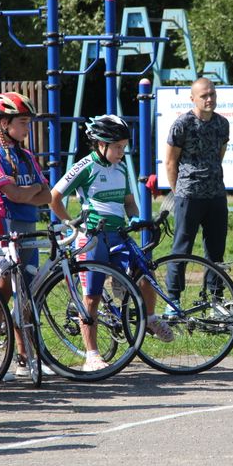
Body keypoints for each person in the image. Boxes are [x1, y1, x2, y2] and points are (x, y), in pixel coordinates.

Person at [50, 115, 173, 371]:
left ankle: (150, 317)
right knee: (92, 298)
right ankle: (91, 355)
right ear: (100, 144)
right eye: (117, 147)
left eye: (124, 147)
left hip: (119, 234)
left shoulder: (121, 168)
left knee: (145, 273)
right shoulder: (85, 166)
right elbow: (54, 197)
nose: (121, 152)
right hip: (92, 238)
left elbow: (129, 202)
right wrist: (72, 224)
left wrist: (137, 218)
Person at [0, 92, 52, 380]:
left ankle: (25, 359)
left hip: (28, 227)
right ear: (4, 123)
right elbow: (13, 194)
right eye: (22, 122)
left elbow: (47, 195)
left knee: (26, 295)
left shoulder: (26, 155)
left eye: (28, 122)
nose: (27, 128)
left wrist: (28, 192)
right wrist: (30, 191)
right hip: (4, 228)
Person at [164, 77, 230, 308]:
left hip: (216, 195)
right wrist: (179, 191)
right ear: (193, 98)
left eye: (212, 94)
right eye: (204, 95)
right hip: (188, 196)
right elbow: (170, 162)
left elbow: (219, 155)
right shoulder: (182, 124)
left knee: (216, 251)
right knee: (182, 249)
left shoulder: (222, 124)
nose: (209, 99)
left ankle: (216, 299)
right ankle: (173, 300)